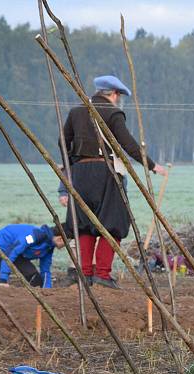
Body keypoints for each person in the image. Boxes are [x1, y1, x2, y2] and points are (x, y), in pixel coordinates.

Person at [61, 74, 168, 289]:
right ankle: (102, 274)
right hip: (106, 173)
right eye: (118, 96)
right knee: (113, 224)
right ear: (115, 94)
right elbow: (127, 143)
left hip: (80, 173)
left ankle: (85, 274)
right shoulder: (113, 112)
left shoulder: (76, 112)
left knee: (83, 225)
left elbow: (63, 142)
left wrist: (71, 167)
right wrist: (151, 165)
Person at [0, 224, 65, 288]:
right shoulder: (35, 236)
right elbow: (11, 253)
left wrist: (47, 289)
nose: (65, 246)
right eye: (67, 242)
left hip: (17, 254)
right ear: (60, 239)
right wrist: (3, 278)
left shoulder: (49, 247)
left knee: (36, 280)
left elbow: (45, 270)